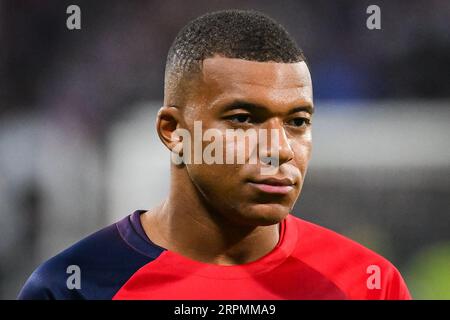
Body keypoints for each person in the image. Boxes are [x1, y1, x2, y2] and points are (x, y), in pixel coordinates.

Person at [18, 9, 411, 300]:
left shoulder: (368, 285)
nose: (278, 150)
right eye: (242, 119)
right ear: (173, 132)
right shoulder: (71, 287)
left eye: (297, 121)